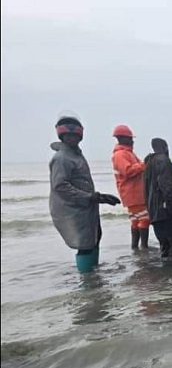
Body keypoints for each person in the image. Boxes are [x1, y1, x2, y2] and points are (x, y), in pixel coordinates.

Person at [49, 114, 120, 272]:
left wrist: (98, 198)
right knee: (85, 244)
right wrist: (89, 197)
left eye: (75, 135)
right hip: (74, 210)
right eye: (68, 135)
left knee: (95, 238)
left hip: (87, 207)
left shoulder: (76, 155)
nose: (72, 138)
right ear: (61, 135)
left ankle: (94, 274)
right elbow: (60, 186)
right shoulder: (62, 158)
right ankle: (87, 282)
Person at [144, 138, 172, 259]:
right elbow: (168, 188)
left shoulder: (148, 164)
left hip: (154, 213)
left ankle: (167, 275)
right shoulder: (163, 161)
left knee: (164, 248)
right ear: (165, 147)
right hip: (166, 212)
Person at [112, 125, 150, 249]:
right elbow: (128, 171)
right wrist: (145, 164)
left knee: (135, 220)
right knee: (145, 219)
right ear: (122, 138)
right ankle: (144, 247)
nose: (132, 141)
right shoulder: (120, 155)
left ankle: (135, 247)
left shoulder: (128, 153)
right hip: (133, 193)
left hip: (133, 193)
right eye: (130, 138)